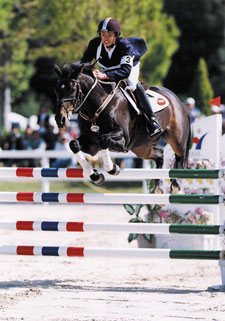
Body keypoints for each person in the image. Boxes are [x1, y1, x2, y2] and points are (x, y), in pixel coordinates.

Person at [80, 17, 162, 137]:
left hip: (128, 68)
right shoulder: (94, 44)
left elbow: (125, 71)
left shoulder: (125, 46)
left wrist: (105, 75)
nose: (105, 38)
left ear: (116, 36)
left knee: (132, 84)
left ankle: (152, 120)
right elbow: (84, 61)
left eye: (109, 35)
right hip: (107, 68)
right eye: (103, 35)